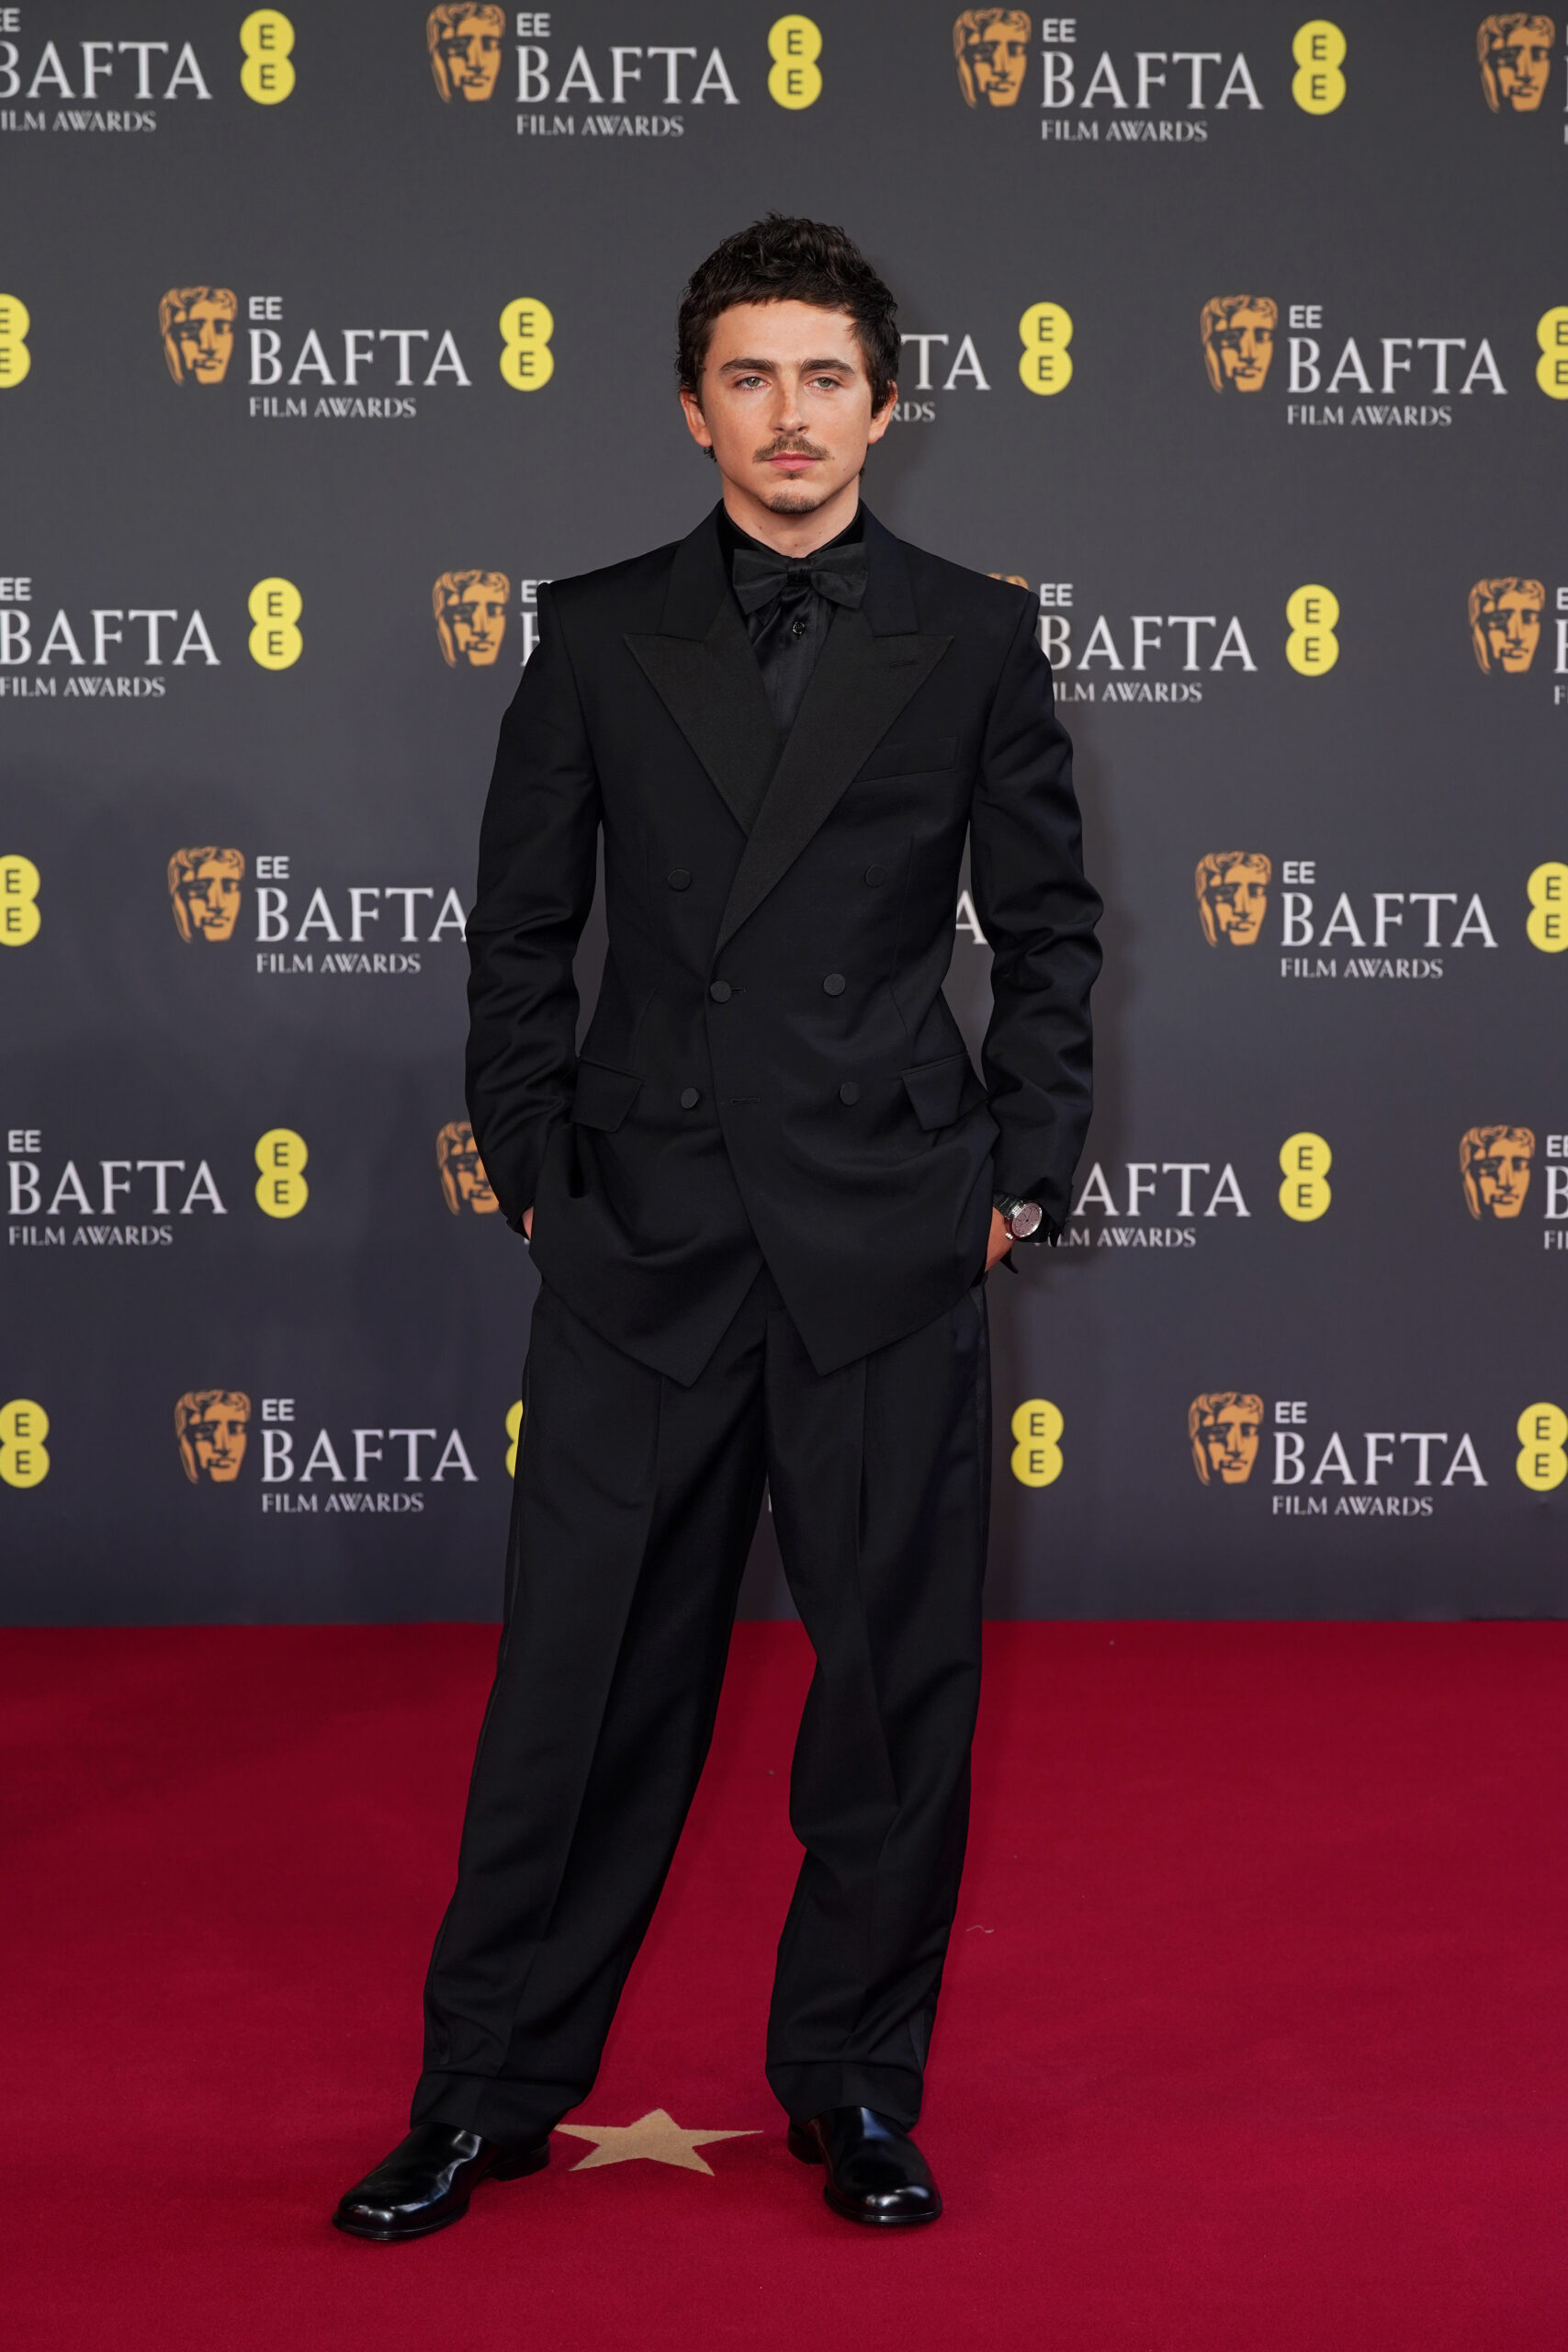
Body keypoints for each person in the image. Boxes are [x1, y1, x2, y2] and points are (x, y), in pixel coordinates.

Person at [334, 214, 1100, 2242]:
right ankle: (481, 2092)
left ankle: (854, 2085)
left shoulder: (973, 635)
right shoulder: (594, 634)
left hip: (885, 1232)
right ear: (693, 409)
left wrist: (1014, 1175)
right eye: (749, 377)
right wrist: (534, 1166)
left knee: (890, 1695)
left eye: (824, 376)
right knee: (576, 1689)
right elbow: (518, 931)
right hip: (646, 1235)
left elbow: (1048, 929)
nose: (789, 414)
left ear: (885, 404)